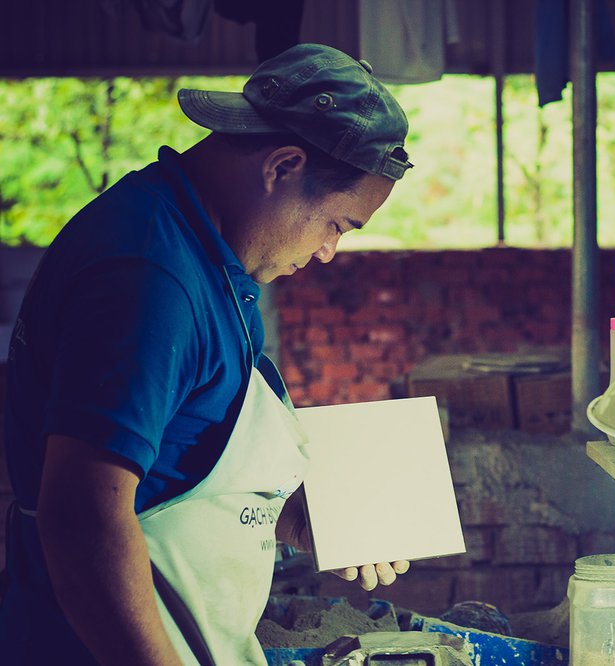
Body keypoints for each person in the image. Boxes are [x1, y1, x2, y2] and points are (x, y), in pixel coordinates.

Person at [0, 43, 414, 665]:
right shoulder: (149, 277)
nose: (329, 251)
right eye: (338, 224)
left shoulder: (212, 254)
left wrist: (287, 516)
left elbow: (176, 464)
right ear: (283, 166)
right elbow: (81, 518)